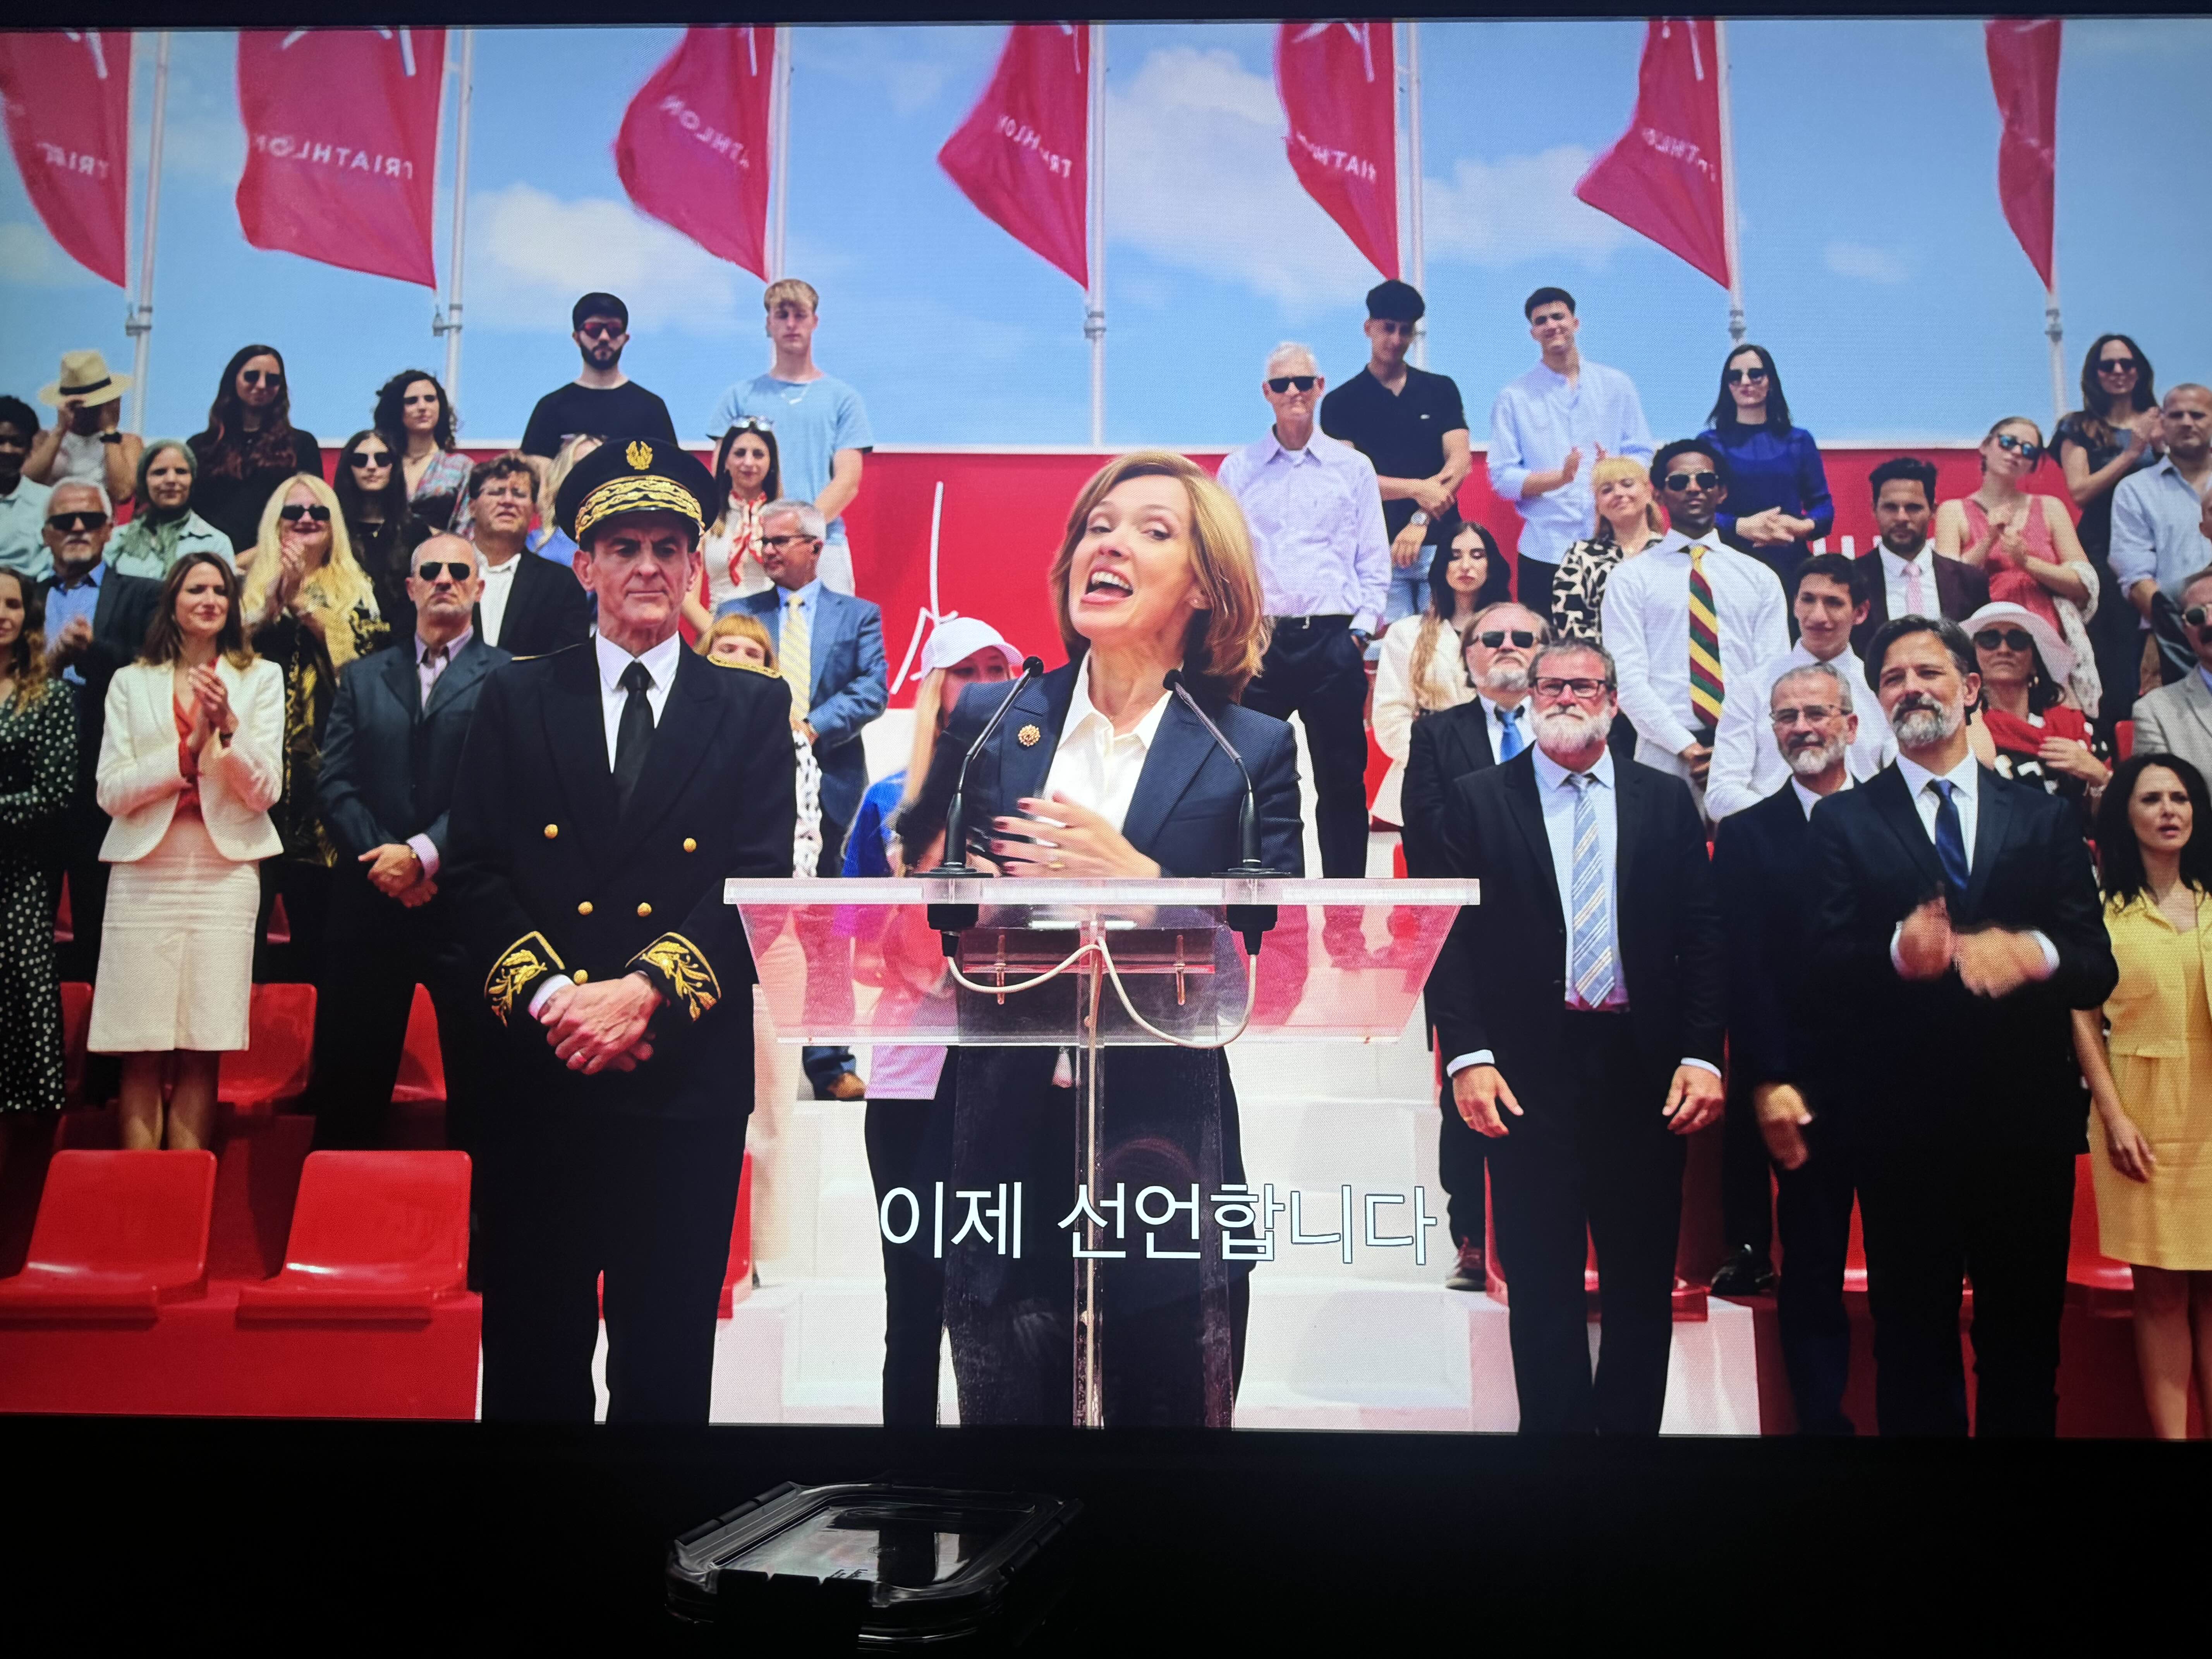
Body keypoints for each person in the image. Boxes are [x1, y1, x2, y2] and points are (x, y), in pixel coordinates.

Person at [910, 448, 1300, 1426]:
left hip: (1166, 1144)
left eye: (1152, 531)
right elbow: (933, 918)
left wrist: (1143, 889)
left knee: (1167, 1451)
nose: (1111, 544)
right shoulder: (995, 721)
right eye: (1098, 526)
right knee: (1008, 1453)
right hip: (1004, 1139)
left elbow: (1281, 951)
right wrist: (968, 902)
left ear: (1204, 585)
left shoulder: (1248, 749)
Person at [443, 436, 797, 1423]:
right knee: (532, 1362)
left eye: (667, 549)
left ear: (693, 568)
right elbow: (474, 871)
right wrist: (562, 1002)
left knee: (666, 1370)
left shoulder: (752, 706)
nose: (648, 567)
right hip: (540, 1073)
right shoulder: (515, 694)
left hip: (679, 1081)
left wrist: (642, 997)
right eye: (624, 548)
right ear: (584, 566)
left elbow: (758, 883)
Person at [1808, 616, 2117, 1436]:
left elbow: (2096, 964)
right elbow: (1822, 965)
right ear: (1877, 702)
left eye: (1929, 672)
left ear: (1970, 688)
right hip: (1901, 1131)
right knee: (1912, 1351)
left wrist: (2032, 953)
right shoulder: (1843, 821)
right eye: (1893, 678)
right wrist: (1895, 952)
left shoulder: (2043, 817)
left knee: (2025, 1349)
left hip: (2026, 1127)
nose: (1911, 687)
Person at [1429, 639, 1725, 1434]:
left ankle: (1628, 1460)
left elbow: (1703, 935)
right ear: (1529, 698)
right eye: (1551, 685)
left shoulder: (1664, 800)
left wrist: (1702, 1052)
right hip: (1527, 1072)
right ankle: (1553, 1464)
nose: (1565, 696)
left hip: (1644, 1068)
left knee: (1640, 1280)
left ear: (1614, 702)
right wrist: (1468, 1056)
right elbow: (1448, 938)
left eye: (1584, 685)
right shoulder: (1477, 798)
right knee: (1541, 1281)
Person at [310, 536, 509, 1154]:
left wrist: (423, 857)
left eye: (459, 570)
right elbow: (335, 783)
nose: (445, 579)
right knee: (349, 1094)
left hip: (466, 910)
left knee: (483, 1094)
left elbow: (503, 786)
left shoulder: (511, 678)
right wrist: (388, 861)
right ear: (411, 587)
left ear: (479, 587)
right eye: (432, 570)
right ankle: (341, 1208)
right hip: (370, 908)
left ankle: (480, 1214)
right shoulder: (362, 677)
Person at [1711, 660, 1868, 1432]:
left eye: (1816, 712)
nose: (1802, 727)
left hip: (1903, 1086)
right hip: (1799, 1089)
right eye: (1787, 716)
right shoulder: (1746, 835)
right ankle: (1821, 1429)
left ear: (1851, 724)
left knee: (1919, 1271)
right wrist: (1768, 1077)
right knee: (1810, 1268)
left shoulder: (1896, 817)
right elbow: (1743, 968)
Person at [89, 552, 284, 1151]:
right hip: (145, 872)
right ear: (172, 601)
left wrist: (227, 729)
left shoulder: (261, 677)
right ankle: (140, 1195)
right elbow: (111, 792)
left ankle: (182, 1192)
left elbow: (266, 792)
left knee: (204, 1042)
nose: (210, 600)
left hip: (225, 875)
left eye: (220, 590)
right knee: (140, 1044)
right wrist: (185, 752)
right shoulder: (131, 682)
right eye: (196, 589)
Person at [1400, 600, 1553, 1290]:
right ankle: (1470, 1233)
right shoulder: (1437, 734)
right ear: (1468, 655)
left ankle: (1549, 1236)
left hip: (1565, 938)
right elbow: (1427, 833)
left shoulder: (1568, 728)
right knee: (1465, 1088)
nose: (1508, 646)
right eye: (1492, 638)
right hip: (1470, 937)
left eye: (1524, 637)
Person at [728, 498, 888, 1101]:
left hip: (832, 788)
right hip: (746, 792)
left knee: (823, 930)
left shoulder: (859, 616)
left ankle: (830, 1063)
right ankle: (738, 1056)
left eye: (779, 541)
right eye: (764, 542)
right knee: (746, 925)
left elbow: (872, 688)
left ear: (816, 548)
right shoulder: (738, 614)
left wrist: (809, 726)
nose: (766, 551)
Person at [2072, 754, 2212, 1439]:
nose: (2168, 810)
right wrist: (2114, 1115)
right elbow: (2081, 1017)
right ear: (2124, 816)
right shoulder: (2102, 914)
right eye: (2152, 799)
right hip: (2141, 1116)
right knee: (2160, 1292)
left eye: (2180, 798)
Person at [1221, 341, 1391, 875]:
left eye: (1302, 382)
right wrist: (1239, 635)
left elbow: (1374, 557)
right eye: (1281, 384)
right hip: (1262, 643)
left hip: (1334, 641)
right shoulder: (1238, 470)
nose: (1292, 392)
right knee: (1258, 779)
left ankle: (1346, 911)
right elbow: (1226, 558)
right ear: (1266, 393)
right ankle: (1271, 906)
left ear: (1320, 388)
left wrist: (1359, 635)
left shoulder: (1353, 467)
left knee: (1342, 780)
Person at [239, 473, 388, 985]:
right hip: (250, 773)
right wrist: (270, 606)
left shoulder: (358, 586)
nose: (306, 519)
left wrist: (306, 606)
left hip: (324, 775)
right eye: (294, 511)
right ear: (274, 521)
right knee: (243, 934)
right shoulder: (243, 583)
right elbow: (220, 653)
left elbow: (370, 669)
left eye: (318, 512)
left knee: (319, 933)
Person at [1601, 440, 1789, 813]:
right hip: (1663, 754)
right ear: (1658, 493)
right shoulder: (1630, 579)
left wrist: (1731, 750)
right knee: (1662, 852)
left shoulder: (1759, 578)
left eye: (1705, 480)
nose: (1693, 488)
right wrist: (1687, 747)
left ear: (1722, 492)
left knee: (1748, 851)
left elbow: (1773, 677)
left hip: (1747, 755)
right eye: (1679, 481)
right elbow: (1627, 680)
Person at [39, 482, 161, 985]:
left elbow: (155, 671)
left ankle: (102, 1038)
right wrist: (50, 663)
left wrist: (91, 651)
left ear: (110, 529)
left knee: (102, 936)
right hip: (27, 790)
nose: (77, 529)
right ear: (46, 534)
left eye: (90, 520)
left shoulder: (143, 594)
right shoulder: (20, 597)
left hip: (104, 788)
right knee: (20, 938)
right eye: (64, 521)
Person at [1486, 286, 1655, 614]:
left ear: (1576, 323)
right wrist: (1560, 479)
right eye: (1541, 321)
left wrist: (1614, 471)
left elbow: (1642, 453)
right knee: (1547, 643)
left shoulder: (1617, 385)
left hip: (1617, 542)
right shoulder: (1514, 397)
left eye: (1558, 316)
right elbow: (1503, 478)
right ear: (1533, 333)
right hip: (1545, 549)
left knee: (1623, 639)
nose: (1552, 325)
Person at [1317, 283, 1472, 629]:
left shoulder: (1440, 390)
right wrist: (1419, 488)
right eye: (1388, 328)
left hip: (1441, 546)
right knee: (1389, 652)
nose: (1396, 339)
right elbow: (1350, 480)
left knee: (1446, 648)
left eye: (1406, 330)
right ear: (1368, 328)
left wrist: (1419, 520)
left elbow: (1460, 463)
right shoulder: (1341, 402)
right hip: (1376, 551)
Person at [708, 280, 875, 597]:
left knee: (826, 631)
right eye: (782, 315)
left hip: (823, 545)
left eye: (800, 315)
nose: (791, 324)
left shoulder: (843, 399)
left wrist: (797, 533)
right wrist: (768, 535)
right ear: (768, 324)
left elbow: (848, 481)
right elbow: (721, 475)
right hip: (753, 549)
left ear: (815, 321)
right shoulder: (738, 398)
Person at [1705, 554, 1894, 824]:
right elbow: (1720, 794)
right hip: (1774, 839)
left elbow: (1900, 786)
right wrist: (1796, 822)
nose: (1817, 616)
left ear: (1860, 612)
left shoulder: (1880, 688)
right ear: (1794, 604)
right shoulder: (1752, 688)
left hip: (1864, 838)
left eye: (1833, 603)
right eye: (1808, 600)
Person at [1934, 417, 2100, 712]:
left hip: (2048, 649)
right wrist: (1988, 540)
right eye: (2008, 442)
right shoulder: (1954, 511)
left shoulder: (2050, 507)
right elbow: (1946, 585)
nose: (2016, 453)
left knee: (2063, 730)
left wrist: (2027, 563)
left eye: (2028, 450)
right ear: (1986, 446)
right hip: (1988, 650)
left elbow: (2084, 584)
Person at [846, 615, 1022, 880]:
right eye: (965, 671)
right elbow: (855, 903)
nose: (985, 685)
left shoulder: (1039, 787)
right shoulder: (886, 797)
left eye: (996, 669)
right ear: (936, 689)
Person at [1370, 522, 1506, 833]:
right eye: (1455, 556)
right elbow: (1390, 718)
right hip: (1427, 781)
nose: (1466, 565)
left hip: (1499, 778)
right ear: (1441, 565)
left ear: (1491, 565)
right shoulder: (1406, 634)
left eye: (1477, 555)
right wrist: (1440, 757)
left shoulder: (1517, 634)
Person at [2055, 335, 2164, 720]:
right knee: (2116, 653)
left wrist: (2161, 446)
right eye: (2108, 365)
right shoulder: (2079, 427)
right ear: (2095, 374)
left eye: (2126, 363)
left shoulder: (2163, 420)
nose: (2118, 371)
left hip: (2161, 547)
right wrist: (2133, 452)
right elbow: (2080, 491)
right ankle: (2116, 739)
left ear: (2140, 369)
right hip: (2104, 549)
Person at [0, 568, 75, 1120]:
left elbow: (55, 793)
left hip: (17, 874)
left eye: (12, 604)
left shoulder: (50, 695)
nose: (1, 614)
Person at [694, 610, 824, 878]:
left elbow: (804, 836)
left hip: (759, 884)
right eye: (727, 650)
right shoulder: (677, 725)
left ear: (768, 668)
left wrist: (785, 897)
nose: (739, 660)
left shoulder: (794, 743)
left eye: (752, 654)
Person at [1965, 599, 2112, 835]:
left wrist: (2099, 776)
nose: (2004, 650)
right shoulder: (1967, 730)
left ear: (2035, 661)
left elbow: (2115, 823)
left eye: (2018, 640)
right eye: (1989, 640)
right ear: (1974, 658)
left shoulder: (2077, 727)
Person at [1697, 343, 1833, 589]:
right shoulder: (1709, 444)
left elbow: (1823, 506)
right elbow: (1696, 511)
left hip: (1791, 567)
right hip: (1727, 570)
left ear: (1771, 381)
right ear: (1727, 385)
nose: (1745, 382)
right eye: (1735, 376)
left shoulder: (1800, 441)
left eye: (1756, 374)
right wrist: (1740, 526)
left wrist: (1802, 526)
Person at [2111, 384, 2212, 689]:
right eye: (2177, 415)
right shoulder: (2135, 490)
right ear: (2163, 423)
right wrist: (2189, 630)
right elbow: (2136, 580)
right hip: (2174, 645)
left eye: (2197, 415)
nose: (2187, 422)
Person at [187, 345, 323, 555]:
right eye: (252, 376)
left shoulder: (302, 444)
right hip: (209, 562)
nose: (261, 385)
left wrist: (248, 559)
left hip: (277, 559)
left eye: (272, 380)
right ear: (233, 380)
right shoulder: (200, 446)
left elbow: (310, 513)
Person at [1851, 456, 1992, 657]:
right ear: (1874, 510)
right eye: (1891, 508)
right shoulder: (1851, 579)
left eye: (1913, 508)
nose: (1902, 518)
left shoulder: (1970, 581)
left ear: (1933, 511)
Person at [519, 293, 679, 460]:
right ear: (577, 338)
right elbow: (536, 473)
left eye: (614, 330)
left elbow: (670, 470)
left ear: (625, 338)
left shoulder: (651, 408)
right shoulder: (551, 408)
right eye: (593, 330)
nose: (604, 337)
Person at [465, 454, 591, 659]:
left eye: (519, 494)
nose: (508, 501)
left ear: (534, 509)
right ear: (472, 507)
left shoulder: (562, 584)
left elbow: (568, 662)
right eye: (497, 492)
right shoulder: (443, 573)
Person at [1549, 455, 1666, 648]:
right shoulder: (1581, 554)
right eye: (1607, 490)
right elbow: (1570, 620)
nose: (1619, 493)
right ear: (1599, 506)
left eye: (1627, 484)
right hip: (1601, 662)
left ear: (1648, 493)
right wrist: (1606, 662)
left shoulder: (1673, 552)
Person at [684, 418, 781, 638]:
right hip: (716, 637)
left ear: (772, 463)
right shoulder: (705, 517)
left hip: (774, 640)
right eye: (740, 453)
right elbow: (687, 597)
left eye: (758, 454)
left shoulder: (784, 519)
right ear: (725, 461)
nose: (749, 462)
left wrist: (761, 644)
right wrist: (723, 639)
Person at [334, 428, 433, 634]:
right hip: (343, 640)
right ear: (348, 468)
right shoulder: (333, 528)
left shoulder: (415, 531)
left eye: (382, 459)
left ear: (394, 466)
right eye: (360, 460)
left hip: (404, 643)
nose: (372, 467)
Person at [106, 440, 234, 581]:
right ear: (144, 481)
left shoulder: (215, 543)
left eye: (181, 472)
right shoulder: (116, 540)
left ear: (193, 480)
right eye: (159, 472)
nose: (171, 480)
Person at [2130, 565, 2212, 781]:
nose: (2209, 623)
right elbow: (2161, 797)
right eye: (2197, 615)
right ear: (2186, 631)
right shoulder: (2156, 713)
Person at [28, 350, 142, 503]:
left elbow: (123, 493)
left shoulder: (128, 444)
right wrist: (60, 430)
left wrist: (110, 431)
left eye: (95, 405)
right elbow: (28, 485)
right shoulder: (44, 439)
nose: (86, 412)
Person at [372, 369, 471, 535]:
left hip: (441, 550)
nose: (423, 407)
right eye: (412, 401)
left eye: (430, 399)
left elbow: (467, 525)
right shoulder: (382, 464)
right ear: (397, 409)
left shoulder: (461, 466)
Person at [0, 397, 53, 581]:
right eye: (0, 441)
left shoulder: (47, 502)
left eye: (17, 442)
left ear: (30, 448)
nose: (7, 450)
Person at [529, 434, 601, 568]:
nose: (589, 474)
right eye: (579, 466)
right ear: (563, 476)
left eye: (597, 466)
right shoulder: (536, 545)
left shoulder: (629, 540)